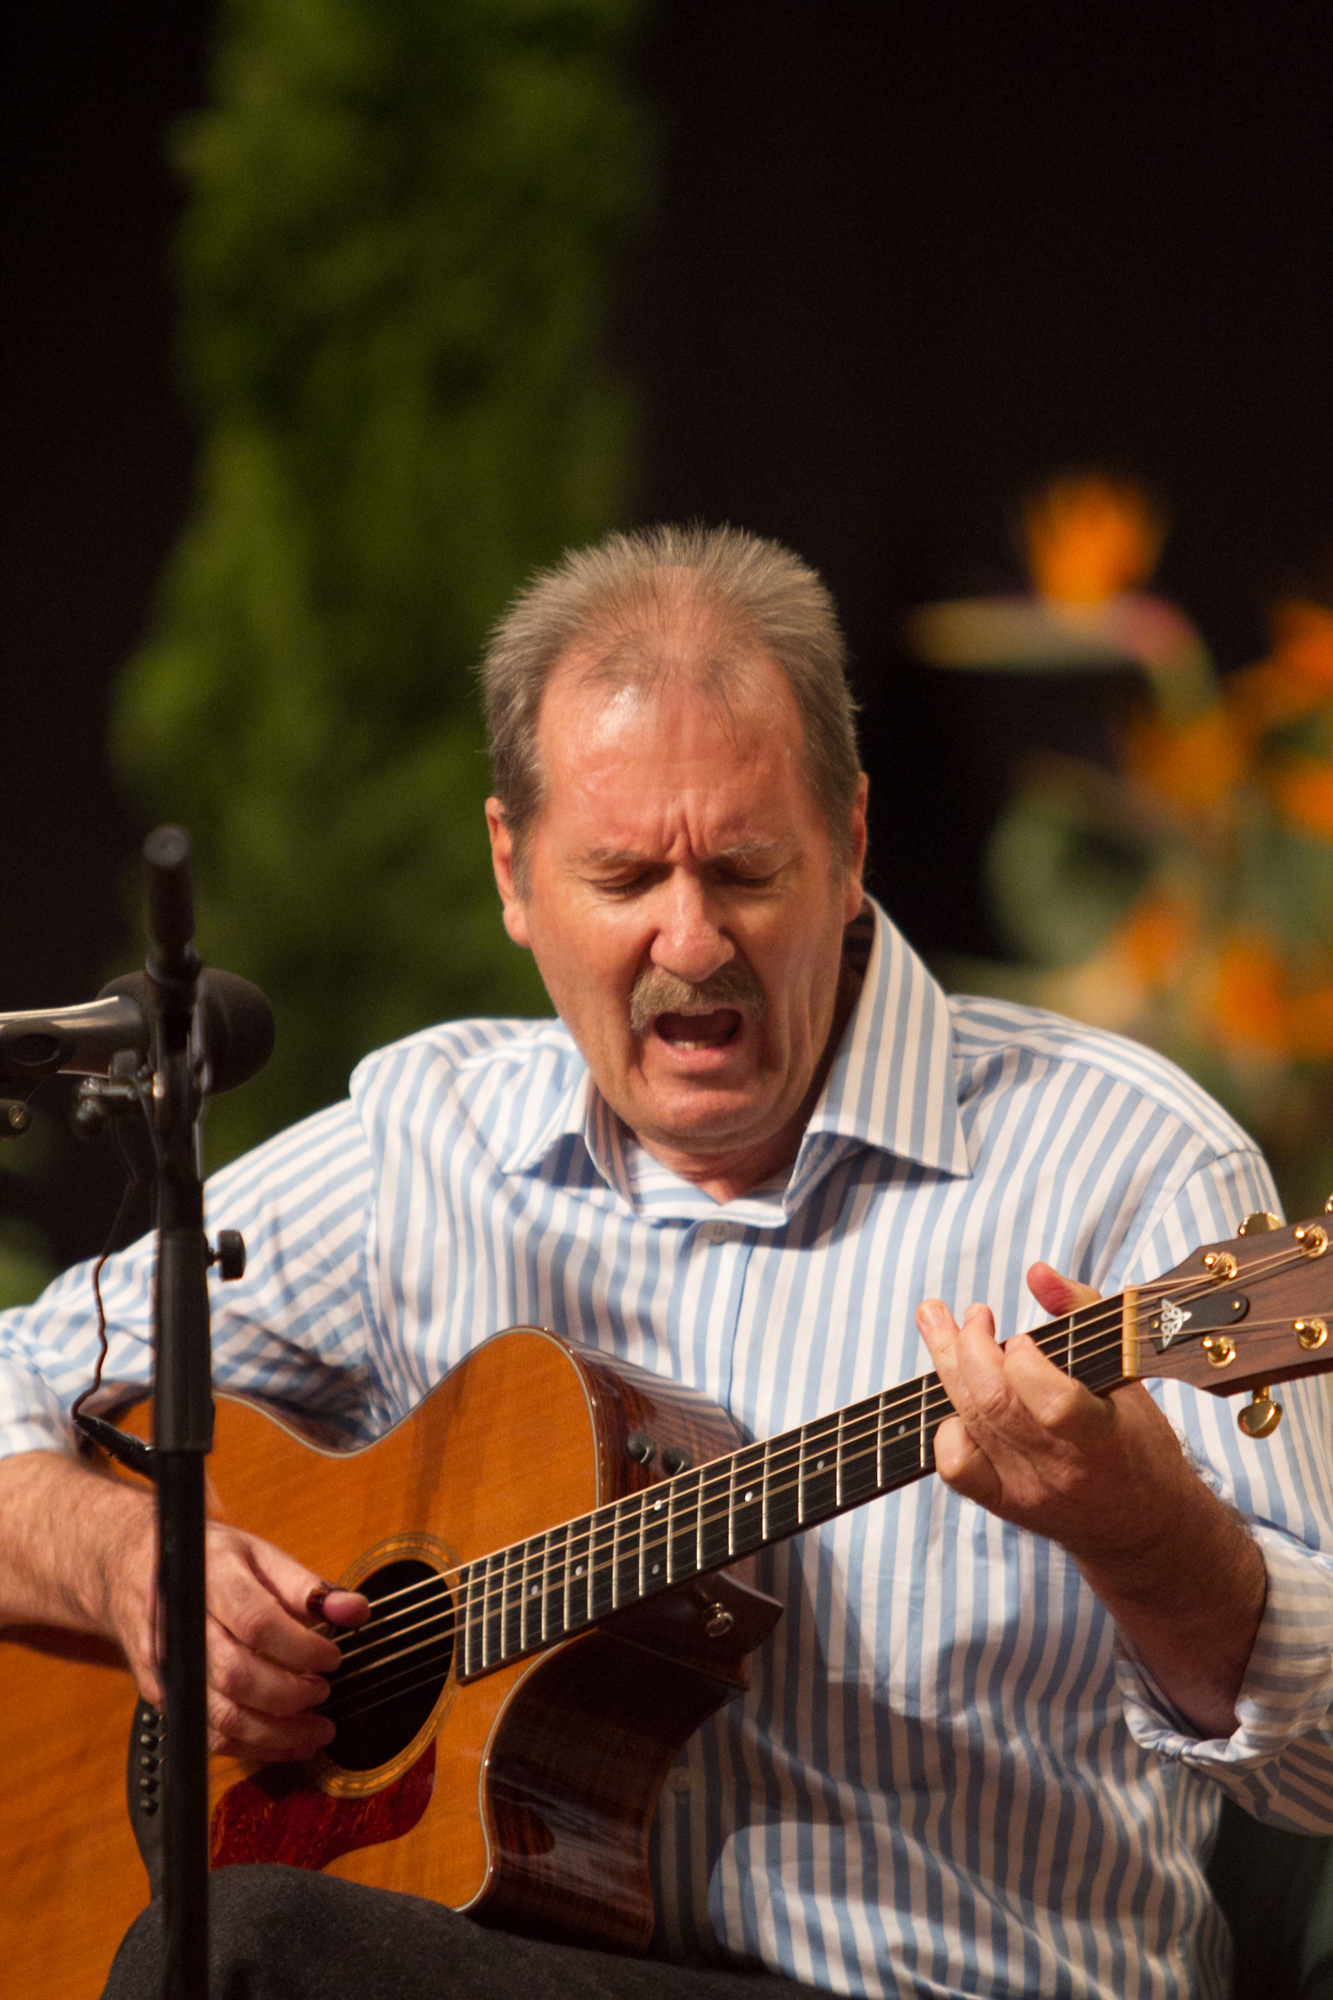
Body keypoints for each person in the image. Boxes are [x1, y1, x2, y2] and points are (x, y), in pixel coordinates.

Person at [2, 523, 1333, 2000]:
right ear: (513, 872)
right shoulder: (427, 1135)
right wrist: (135, 1561)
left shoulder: (1126, 1162)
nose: (689, 940)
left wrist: (1143, 1533)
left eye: (746, 868)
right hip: (536, 1961)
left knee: (251, 1955)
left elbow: (1325, 1770)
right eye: (623, 872)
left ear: (850, 848)